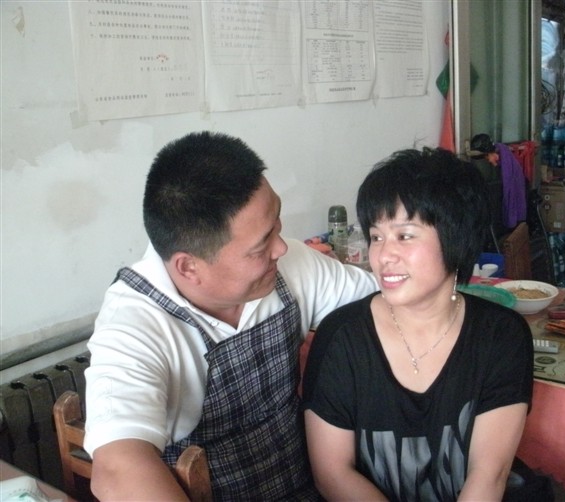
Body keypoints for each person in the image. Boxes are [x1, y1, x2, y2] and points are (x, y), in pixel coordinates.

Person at [83, 131, 378, 501]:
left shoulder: (290, 265)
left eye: (277, 224)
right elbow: (118, 467)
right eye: (261, 245)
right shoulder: (135, 324)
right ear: (189, 267)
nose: (281, 248)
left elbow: (385, 304)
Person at [302, 147, 534, 501]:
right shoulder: (341, 337)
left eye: (405, 235)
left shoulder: (501, 336)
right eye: (376, 236)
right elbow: (332, 474)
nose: (383, 255)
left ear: (456, 237)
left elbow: (489, 474)